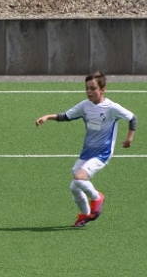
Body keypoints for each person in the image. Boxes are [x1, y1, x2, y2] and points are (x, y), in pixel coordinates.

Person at [35, 71, 136, 228]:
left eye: (93, 88)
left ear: (103, 89)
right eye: (87, 88)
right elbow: (66, 116)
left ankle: (97, 198)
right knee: (74, 188)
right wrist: (48, 117)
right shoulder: (84, 106)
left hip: (102, 154)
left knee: (79, 179)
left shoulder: (111, 108)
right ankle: (86, 214)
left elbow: (132, 118)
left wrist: (129, 139)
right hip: (87, 153)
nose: (89, 91)